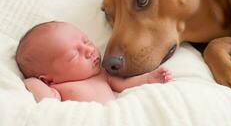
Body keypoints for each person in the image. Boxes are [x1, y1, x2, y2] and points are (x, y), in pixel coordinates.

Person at [15, 21, 172, 104]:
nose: (89, 50)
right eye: (74, 55)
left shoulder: (102, 75)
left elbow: (124, 85)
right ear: (48, 79)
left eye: (86, 41)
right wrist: (31, 82)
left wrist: (149, 79)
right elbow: (47, 104)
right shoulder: (57, 90)